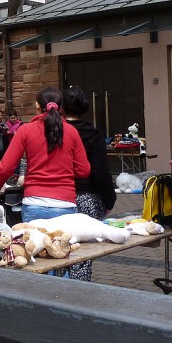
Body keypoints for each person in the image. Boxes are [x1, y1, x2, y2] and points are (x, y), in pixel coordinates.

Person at [0, 87, 90, 223]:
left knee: (33, 244)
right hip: (65, 204)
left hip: (34, 204)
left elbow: (5, 168)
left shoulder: (25, 130)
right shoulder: (72, 132)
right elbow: (84, 170)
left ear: (37, 106)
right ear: (61, 108)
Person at [62, 87, 117, 282]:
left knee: (57, 252)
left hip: (59, 197)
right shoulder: (93, 135)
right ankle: (79, 293)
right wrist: (110, 200)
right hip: (87, 198)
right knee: (82, 255)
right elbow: (101, 173)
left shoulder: (55, 131)